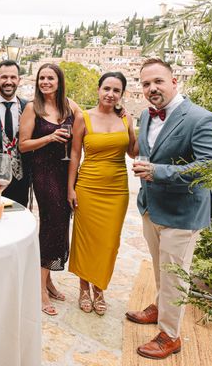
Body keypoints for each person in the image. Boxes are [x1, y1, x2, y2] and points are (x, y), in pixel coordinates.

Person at [126, 59, 212, 359]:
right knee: (160, 268)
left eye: (158, 81)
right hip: (151, 207)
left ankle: (171, 335)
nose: (151, 88)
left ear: (174, 82)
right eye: (145, 84)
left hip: (183, 213)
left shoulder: (200, 118)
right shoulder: (145, 115)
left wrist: (159, 172)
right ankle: (160, 307)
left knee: (175, 275)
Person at [66, 72, 137, 316]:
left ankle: (99, 288)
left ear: (121, 94)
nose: (110, 94)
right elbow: (75, 154)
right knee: (85, 239)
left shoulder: (126, 120)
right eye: (107, 88)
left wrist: (135, 127)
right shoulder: (82, 117)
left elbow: (134, 153)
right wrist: (70, 187)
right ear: (98, 89)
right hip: (87, 186)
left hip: (117, 189)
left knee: (108, 243)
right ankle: (84, 287)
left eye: (116, 90)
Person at [18, 63, 82, 316]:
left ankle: (47, 280)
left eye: (50, 78)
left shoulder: (70, 105)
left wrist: (118, 112)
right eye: (42, 78)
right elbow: (23, 145)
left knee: (60, 224)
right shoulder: (33, 108)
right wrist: (49, 137)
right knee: (53, 223)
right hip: (43, 173)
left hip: (65, 171)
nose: (46, 82)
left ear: (59, 81)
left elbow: (87, 121)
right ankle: (39, 288)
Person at [0, 60, 31, 206]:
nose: (8, 81)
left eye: (13, 77)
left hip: (21, 180)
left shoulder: (29, 107)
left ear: (19, 80)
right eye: (4, 77)